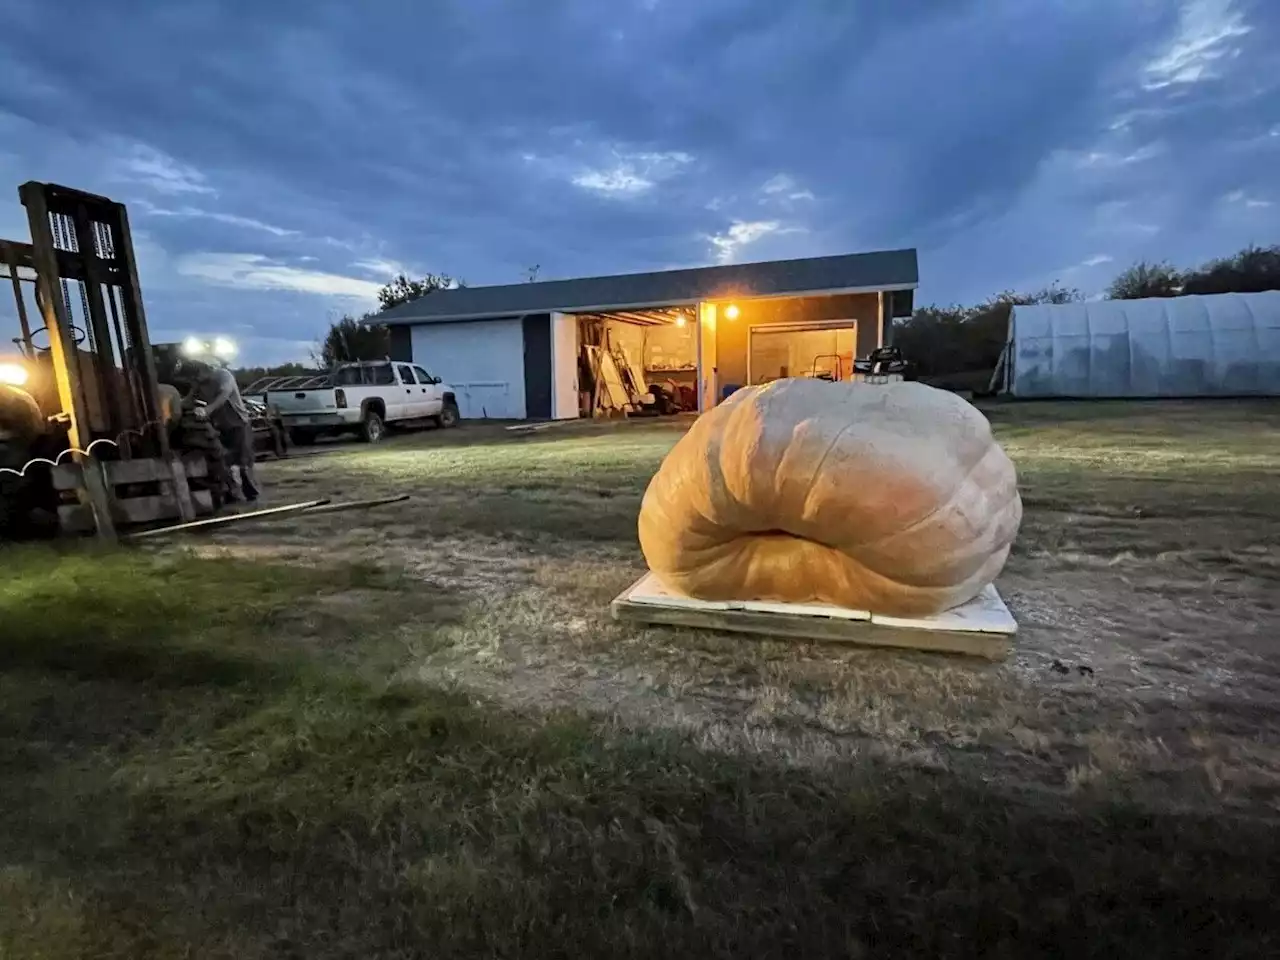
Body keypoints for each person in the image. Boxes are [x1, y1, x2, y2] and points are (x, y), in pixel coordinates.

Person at [186, 359, 260, 501]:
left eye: (197, 375)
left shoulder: (223, 375)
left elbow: (224, 394)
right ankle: (232, 494)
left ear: (205, 369)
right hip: (220, 426)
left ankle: (252, 494)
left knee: (243, 461)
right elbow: (189, 399)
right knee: (225, 461)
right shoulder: (199, 383)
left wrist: (208, 409)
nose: (196, 379)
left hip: (238, 423)